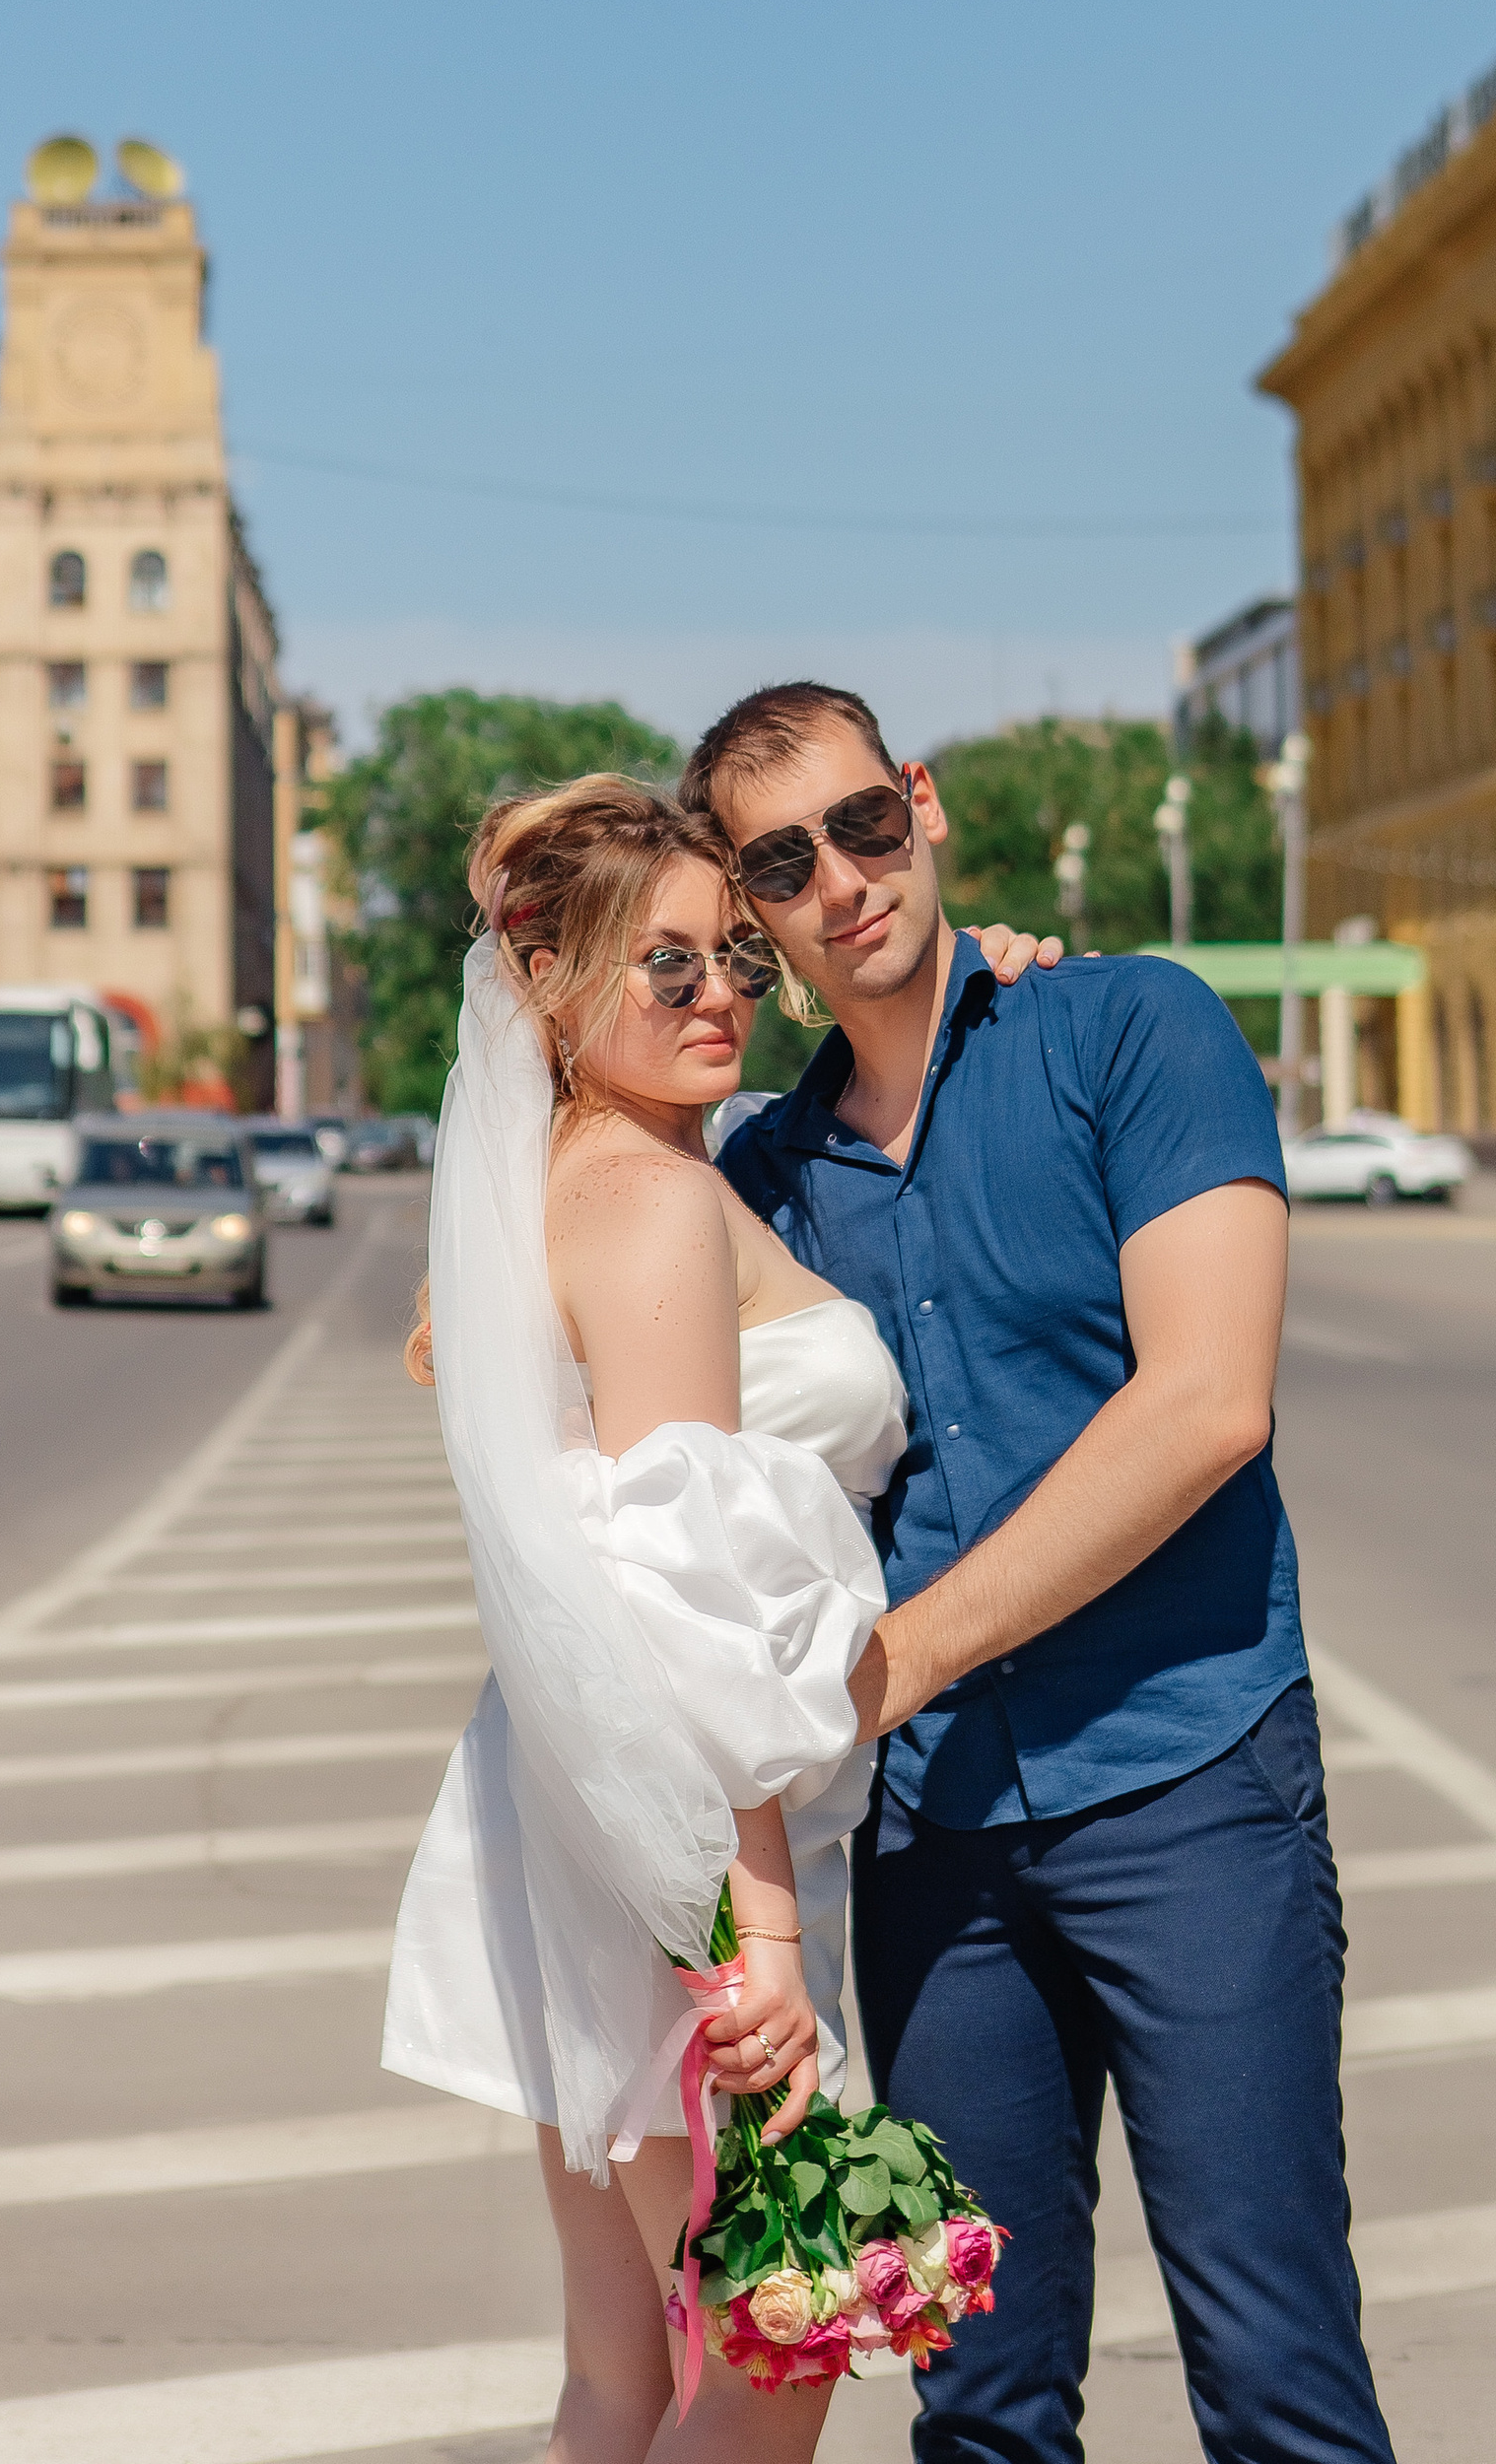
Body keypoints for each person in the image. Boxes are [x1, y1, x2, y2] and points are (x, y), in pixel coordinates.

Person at [689, 680, 1394, 2464]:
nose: (842, 879)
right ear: (754, 915)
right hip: (929, 1853)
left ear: (919, 804)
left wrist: (902, 1654)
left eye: (861, 823)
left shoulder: (1130, 1031)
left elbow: (1209, 1404)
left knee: (1277, 2379)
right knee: (983, 2405)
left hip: (1192, 1786)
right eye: (783, 863)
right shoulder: (757, 1181)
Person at [381, 777, 1055, 2463]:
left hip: (554, 1811)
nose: (718, 997)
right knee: (783, 2353)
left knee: (626, 2361)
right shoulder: (664, 1199)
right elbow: (692, 1597)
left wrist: (999, 967)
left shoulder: (559, 1171)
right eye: (662, 965)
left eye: (734, 959)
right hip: (682, 1851)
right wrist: (758, 1941)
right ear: (548, 980)